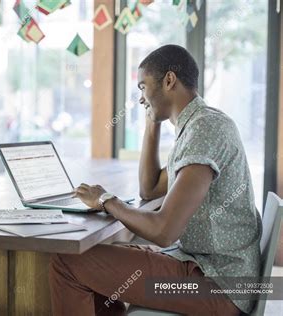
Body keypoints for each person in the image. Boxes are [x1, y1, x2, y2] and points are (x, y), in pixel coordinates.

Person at [49, 45, 261, 315]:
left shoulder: (205, 129)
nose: (140, 98)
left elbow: (164, 231)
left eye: (142, 86)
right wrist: (153, 121)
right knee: (100, 257)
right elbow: (149, 189)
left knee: (68, 263)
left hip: (216, 287)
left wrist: (104, 199)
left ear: (169, 80)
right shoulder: (197, 125)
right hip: (210, 270)